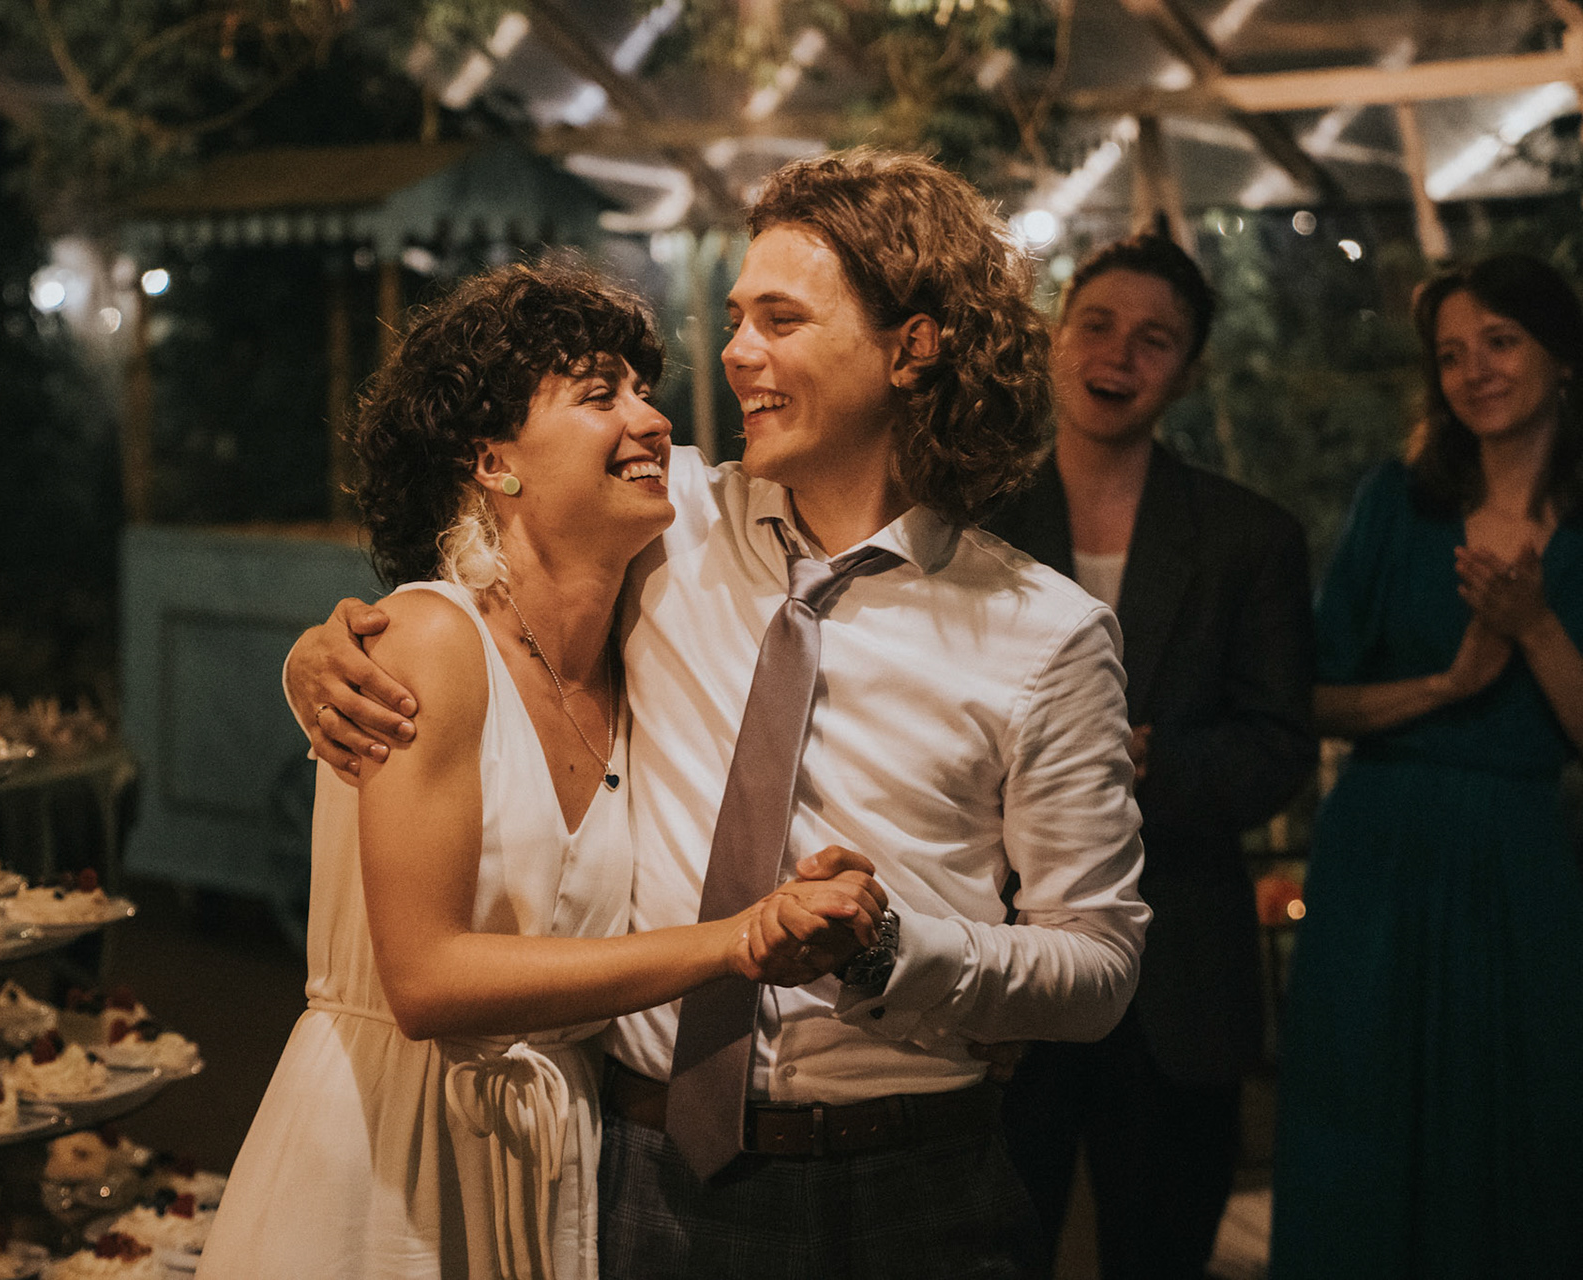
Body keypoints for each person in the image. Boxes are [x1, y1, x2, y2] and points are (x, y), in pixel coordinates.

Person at [288, 149, 1149, 1278]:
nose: (736, 351)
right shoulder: (668, 517)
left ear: (911, 347)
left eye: (781, 319)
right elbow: (493, 565)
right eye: (737, 318)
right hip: (650, 1171)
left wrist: (900, 951)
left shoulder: (1046, 633)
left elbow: (1099, 963)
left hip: (916, 1182)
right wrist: (323, 648)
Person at [198, 262, 884, 1280]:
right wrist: (736, 939)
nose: (652, 421)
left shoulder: (636, 658)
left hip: (555, 1163)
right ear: (492, 460)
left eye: (643, 391)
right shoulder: (429, 641)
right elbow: (427, 980)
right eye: (601, 395)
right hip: (385, 1151)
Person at [981, 234, 1317, 1278]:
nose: (1118, 354)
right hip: (999, 955)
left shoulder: (1248, 536)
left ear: (1188, 371)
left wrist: (1146, 764)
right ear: (1054, 338)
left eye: (1154, 338)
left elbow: (1279, 748)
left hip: (1182, 970)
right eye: (1097, 323)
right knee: (992, 1251)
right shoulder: (971, 519)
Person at [1270, 253, 1583, 1276]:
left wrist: (1536, 628)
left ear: (1562, 356)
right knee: (1363, 1106)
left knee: (1524, 1112)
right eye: (1450, 354)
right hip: (1379, 850)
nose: (1474, 370)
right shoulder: (1397, 502)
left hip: (1526, 854)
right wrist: (1449, 685)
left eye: (1500, 341)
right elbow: (1312, 696)